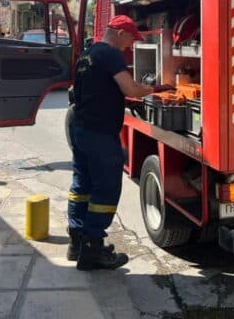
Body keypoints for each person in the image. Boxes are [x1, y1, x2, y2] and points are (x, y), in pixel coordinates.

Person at [67, 15, 175, 270]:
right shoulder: (111, 54)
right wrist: (158, 89)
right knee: (106, 189)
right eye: (130, 39)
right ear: (118, 33)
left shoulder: (88, 53)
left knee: (81, 186)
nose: (130, 46)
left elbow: (95, 88)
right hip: (100, 134)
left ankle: (77, 242)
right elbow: (130, 90)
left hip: (81, 129)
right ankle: (93, 250)